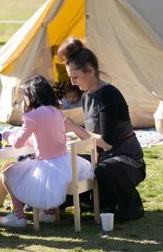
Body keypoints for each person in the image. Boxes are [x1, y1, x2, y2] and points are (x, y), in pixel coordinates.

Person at [58, 37, 146, 222]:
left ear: (90, 71)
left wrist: (74, 128)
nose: (73, 83)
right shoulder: (87, 97)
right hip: (103, 157)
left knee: (105, 170)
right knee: (66, 162)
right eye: (71, 78)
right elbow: (93, 138)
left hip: (127, 159)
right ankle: (69, 202)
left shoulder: (108, 95)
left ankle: (131, 205)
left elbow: (106, 143)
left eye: (75, 77)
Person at [0, 75, 94, 228]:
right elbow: (45, 136)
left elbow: (17, 143)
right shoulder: (57, 112)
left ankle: (18, 215)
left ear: (31, 96)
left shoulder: (32, 116)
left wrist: (7, 135)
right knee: (41, 176)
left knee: (7, 173)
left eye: (25, 97)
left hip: (47, 165)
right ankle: (49, 213)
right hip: (66, 164)